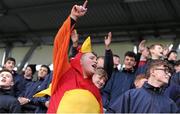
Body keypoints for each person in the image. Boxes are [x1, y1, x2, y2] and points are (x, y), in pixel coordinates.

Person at [47, 0, 103, 113]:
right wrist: (73, 17)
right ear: (80, 60)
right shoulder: (64, 72)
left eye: (96, 59)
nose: (96, 61)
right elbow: (60, 42)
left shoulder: (95, 90)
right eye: (92, 58)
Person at [107, 60, 178, 113]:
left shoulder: (170, 104)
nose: (169, 74)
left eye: (169, 72)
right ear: (153, 72)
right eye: (165, 70)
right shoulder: (131, 95)